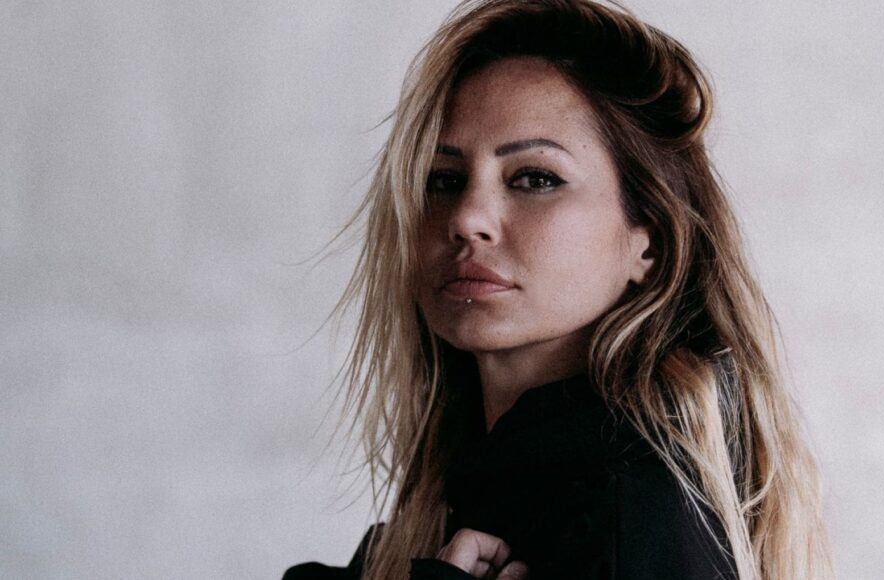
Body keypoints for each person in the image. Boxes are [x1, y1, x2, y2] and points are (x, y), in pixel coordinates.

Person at [285, 0, 833, 578]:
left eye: (535, 178)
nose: (467, 218)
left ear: (649, 242)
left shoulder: (628, 517)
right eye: (443, 179)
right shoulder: (473, 488)